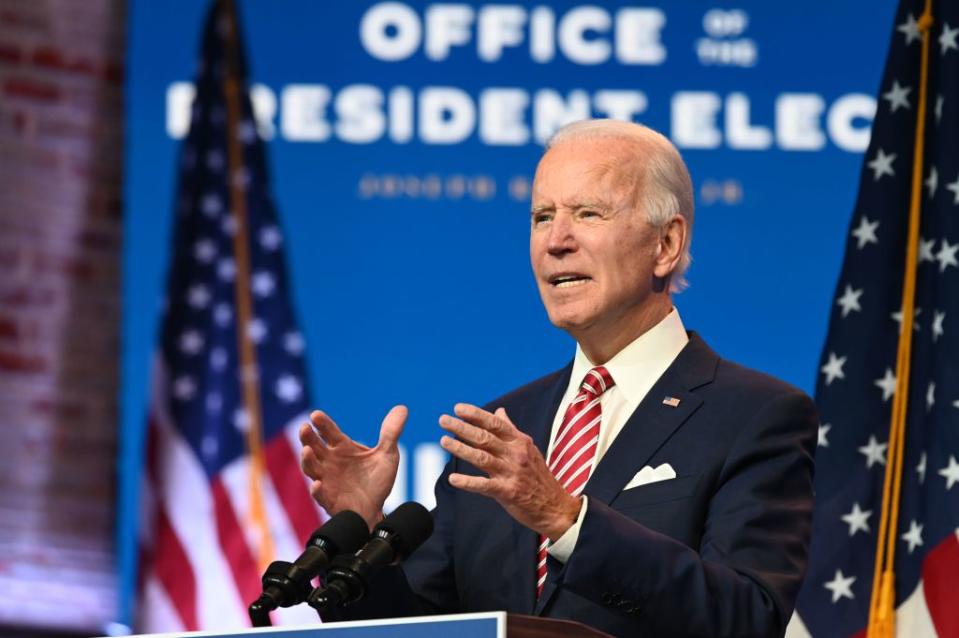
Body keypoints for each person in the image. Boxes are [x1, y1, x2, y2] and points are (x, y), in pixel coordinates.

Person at [299, 119, 818, 638]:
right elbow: (420, 629)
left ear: (666, 243)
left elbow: (749, 618)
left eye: (589, 213)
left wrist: (568, 519)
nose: (556, 241)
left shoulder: (755, 416)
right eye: (541, 216)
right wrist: (361, 524)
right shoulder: (503, 431)